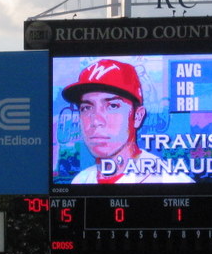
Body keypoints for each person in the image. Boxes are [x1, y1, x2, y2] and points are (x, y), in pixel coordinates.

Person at [61, 59, 194, 184]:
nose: (96, 120)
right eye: (87, 107)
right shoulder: (80, 180)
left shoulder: (172, 180)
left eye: (112, 106)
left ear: (137, 116)